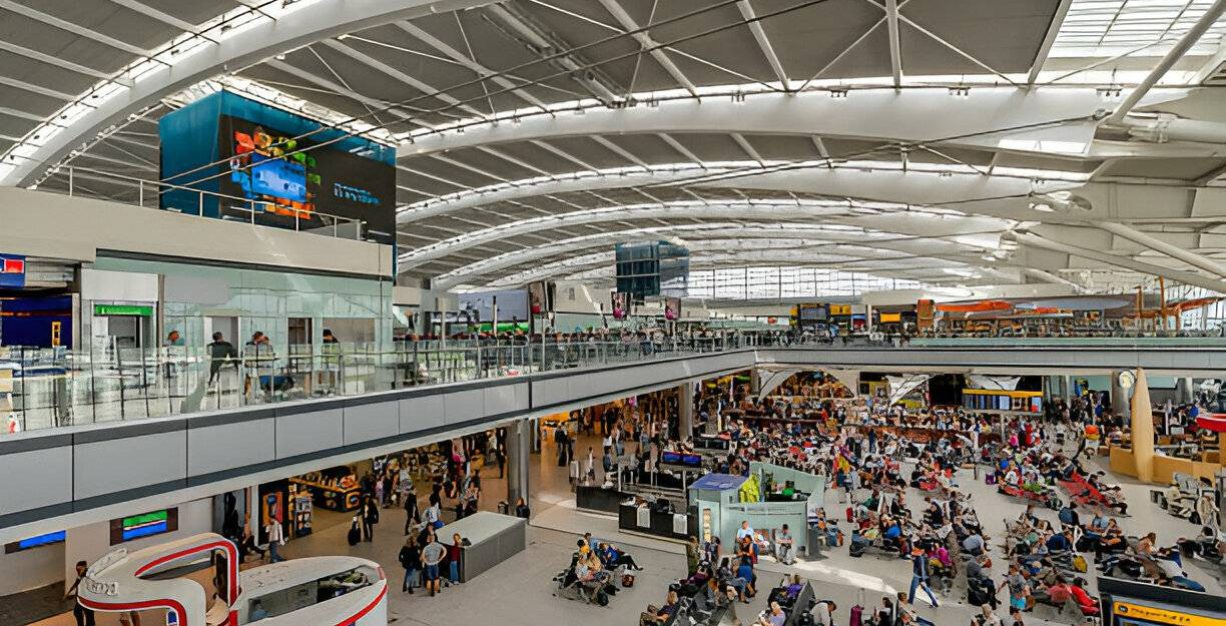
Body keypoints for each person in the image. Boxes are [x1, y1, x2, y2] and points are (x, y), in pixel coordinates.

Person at [67, 560, 96, 626]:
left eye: (79, 568)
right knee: (77, 612)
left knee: (89, 615)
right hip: (80, 598)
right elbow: (76, 584)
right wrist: (69, 592)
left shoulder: (89, 574)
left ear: (84, 567)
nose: (77, 570)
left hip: (87, 598)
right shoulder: (80, 574)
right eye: (77, 568)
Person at [421, 532, 446, 597]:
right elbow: (423, 556)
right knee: (431, 577)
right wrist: (424, 562)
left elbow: (445, 550)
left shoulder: (436, 545)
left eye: (433, 537)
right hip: (430, 564)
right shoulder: (426, 547)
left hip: (434, 563)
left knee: (434, 576)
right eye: (431, 537)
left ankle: (436, 588)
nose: (432, 539)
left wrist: (440, 558)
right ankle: (433, 590)